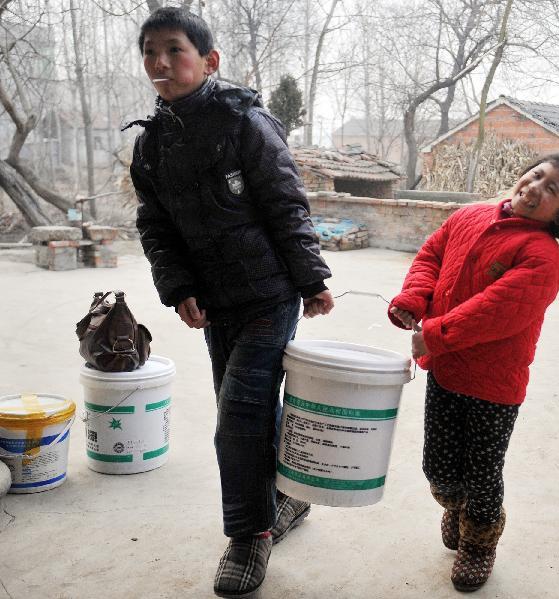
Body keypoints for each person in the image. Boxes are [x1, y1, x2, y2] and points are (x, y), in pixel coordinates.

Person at [127, 8, 333, 598]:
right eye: (149, 52)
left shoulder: (246, 123)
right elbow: (155, 226)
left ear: (209, 60)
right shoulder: (150, 144)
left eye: (174, 50)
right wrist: (179, 289)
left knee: (235, 421)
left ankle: (248, 537)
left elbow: (285, 204)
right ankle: (281, 502)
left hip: (268, 294)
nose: (160, 63)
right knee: (249, 411)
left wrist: (311, 278)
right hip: (214, 304)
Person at [388, 151, 559, 592]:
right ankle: (455, 506)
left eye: (553, 189)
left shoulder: (542, 257)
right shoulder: (469, 216)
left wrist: (437, 333)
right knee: (440, 469)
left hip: (494, 387)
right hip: (446, 372)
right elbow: (431, 255)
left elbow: (496, 312)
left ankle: (480, 542)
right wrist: (413, 299)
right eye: (537, 174)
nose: (536, 186)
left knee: (483, 474)